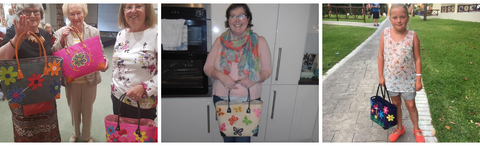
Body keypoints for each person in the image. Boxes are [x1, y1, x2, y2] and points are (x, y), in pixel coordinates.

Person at [203, 4, 272, 142]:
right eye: (232, 16)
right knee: (227, 140)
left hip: (249, 100)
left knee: (243, 140)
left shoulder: (260, 41)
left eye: (241, 15)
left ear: (248, 18)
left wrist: (254, 78)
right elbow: (207, 68)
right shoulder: (220, 41)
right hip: (223, 99)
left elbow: (267, 71)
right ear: (228, 20)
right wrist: (221, 76)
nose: (237, 20)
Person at [0, 3, 60, 142]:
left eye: (36, 11)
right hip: (23, 96)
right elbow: (2, 59)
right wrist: (18, 38)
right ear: (21, 15)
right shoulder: (12, 32)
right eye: (28, 11)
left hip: (45, 94)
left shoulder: (44, 33)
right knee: (27, 135)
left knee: (49, 131)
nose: (33, 15)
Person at [52, 3, 109, 142]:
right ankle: (75, 133)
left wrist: (105, 63)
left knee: (87, 110)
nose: (76, 17)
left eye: (79, 13)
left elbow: (101, 54)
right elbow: (55, 55)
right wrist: (61, 40)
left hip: (89, 80)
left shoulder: (93, 31)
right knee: (74, 109)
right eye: (72, 14)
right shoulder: (60, 32)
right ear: (67, 15)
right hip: (72, 80)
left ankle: (86, 136)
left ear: (84, 13)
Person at [378, 4, 424, 143]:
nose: (399, 20)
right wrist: (381, 75)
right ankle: (399, 128)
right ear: (390, 18)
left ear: (408, 18)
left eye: (402, 17)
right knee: (396, 105)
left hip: (408, 80)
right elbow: (381, 55)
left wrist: (418, 79)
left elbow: (417, 59)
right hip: (391, 79)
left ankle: (416, 128)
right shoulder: (385, 33)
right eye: (395, 17)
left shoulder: (412, 36)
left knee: (411, 106)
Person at [110, 3, 158, 122]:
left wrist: (144, 88)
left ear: (147, 9)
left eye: (138, 6)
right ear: (123, 11)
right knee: (122, 136)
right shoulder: (121, 34)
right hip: (118, 97)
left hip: (142, 103)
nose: (133, 10)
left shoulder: (156, 34)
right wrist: (113, 89)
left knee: (139, 139)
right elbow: (116, 66)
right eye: (128, 7)